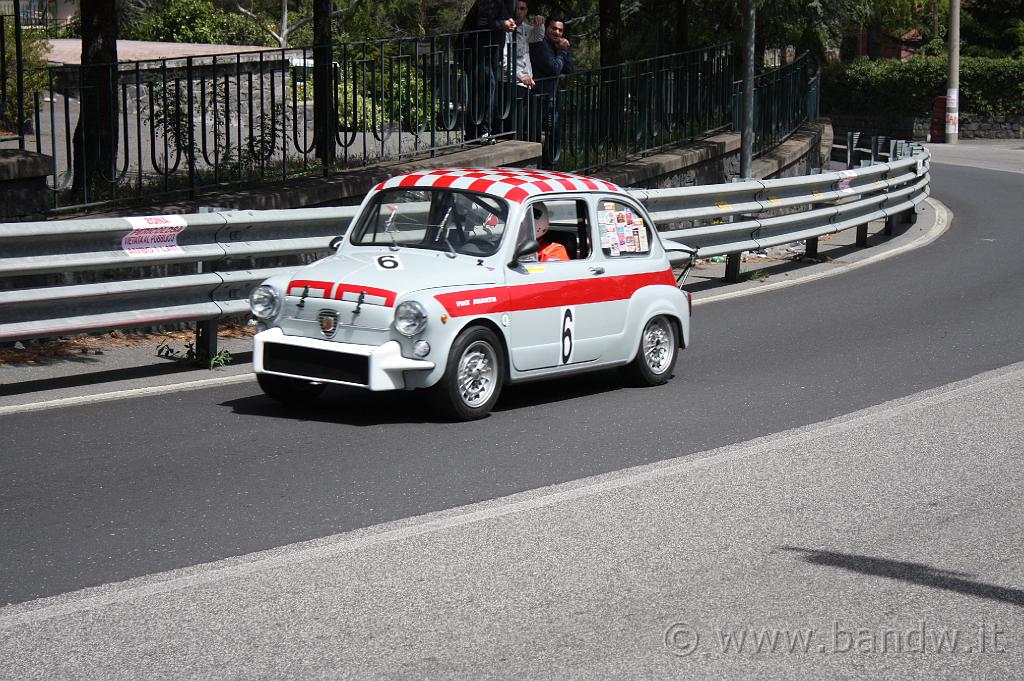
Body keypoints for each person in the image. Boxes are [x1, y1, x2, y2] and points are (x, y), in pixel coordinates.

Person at [459, 0, 517, 142]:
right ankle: (482, 132)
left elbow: (512, 17)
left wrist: (511, 23)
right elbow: (482, 22)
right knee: (485, 87)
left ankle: (477, 132)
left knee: (485, 90)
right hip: (475, 50)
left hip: (492, 52)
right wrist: (502, 24)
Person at [529, 16, 573, 168]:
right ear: (547, 28)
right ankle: (536, 169)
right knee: (535, 138)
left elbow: (569, 69)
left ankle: (550, 168)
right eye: (553, 28)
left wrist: (565, 51)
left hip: (551, 100)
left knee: (553, 136)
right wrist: (561, 51)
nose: (557, 32)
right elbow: (554, 69)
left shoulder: (557, 47)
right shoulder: (540, 45)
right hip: (537, 99)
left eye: (560, 30)